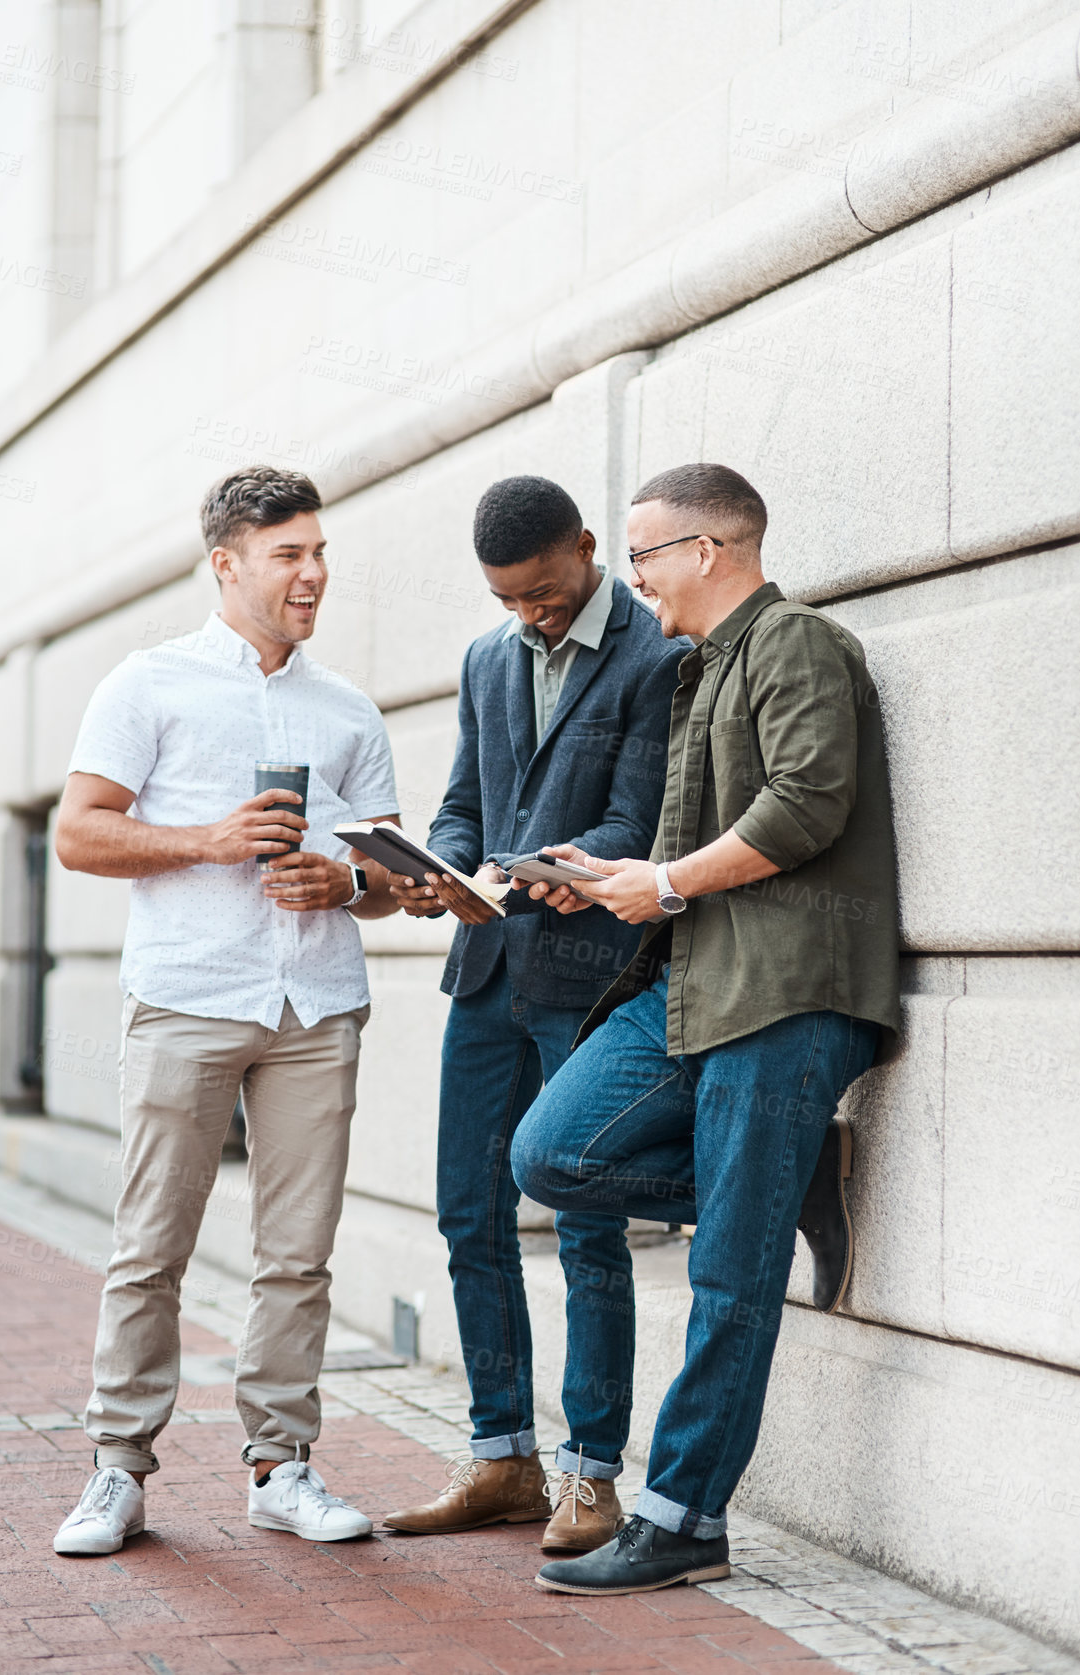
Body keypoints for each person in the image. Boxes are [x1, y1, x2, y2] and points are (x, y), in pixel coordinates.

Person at [511, 463, 900, 1596]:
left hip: (783, 988)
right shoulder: (698, 671)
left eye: (640, 556)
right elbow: (688, 854)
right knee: (553, 1152)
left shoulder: (797, 646)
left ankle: (681, 1518)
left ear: (707, 551)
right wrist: (615, 878)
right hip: (692, 983)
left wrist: (669, 881)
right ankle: (788, 1178)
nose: (630, 581)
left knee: (730, 1269)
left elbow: (806, 800)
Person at [51, 467, 400, 1556]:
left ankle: (279, 1466)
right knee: (150, 1244)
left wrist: (346, 883)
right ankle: (117, 1469)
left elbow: (390, 865)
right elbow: (77, 832)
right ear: (228, 564)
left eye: (318, 551)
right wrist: (206, 840)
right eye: (289, 553)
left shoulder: (345, 708)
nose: (313, 573)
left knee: (297, 1253)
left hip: (316, 1003)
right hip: (189, 997)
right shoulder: (146, 685)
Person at [382, 476, 682, 1553]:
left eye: (544, 593)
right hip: (485, 970)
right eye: (508, 599)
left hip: (591, 977)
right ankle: (500, 1456)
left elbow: (638, 815)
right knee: (468, 1215)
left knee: (585, 1223)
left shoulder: (656, 654)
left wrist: (574, 866)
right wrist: (438, 865)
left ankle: (590, 1475)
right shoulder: (483, 659)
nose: (529, 615)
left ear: (588, 551)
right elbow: (469, 801)